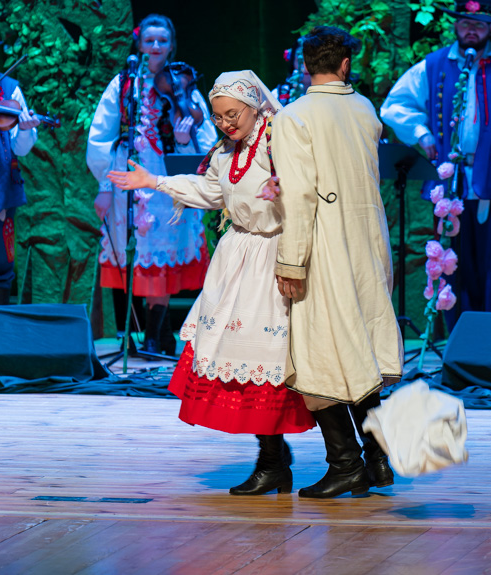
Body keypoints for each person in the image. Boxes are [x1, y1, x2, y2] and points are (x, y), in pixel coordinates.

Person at [106, 70, 316, 496]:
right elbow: (208, 190)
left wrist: (284, 199)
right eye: (219, 117)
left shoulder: (277, 147)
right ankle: (272, 460)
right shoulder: (225, 154)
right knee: (238, 358)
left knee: (270, 362)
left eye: (232, 114)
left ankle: (347, 457)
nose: (225, 123)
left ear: (256, 107)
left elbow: (305, 191)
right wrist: (154, 181)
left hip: (272, 257)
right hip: (237, 260)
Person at [273, 26, 404, 499]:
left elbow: (299, 196)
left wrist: (291, 262)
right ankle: (377, 458)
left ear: (306, 64)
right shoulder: (364, 107)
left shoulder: (294, 117)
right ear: (345, 63)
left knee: (318, 355)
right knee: (358, 350)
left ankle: (347, 462)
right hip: (365, 242)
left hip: (325, 244)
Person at [380, 0, 491, 329]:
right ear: (456, 25)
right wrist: (422, 134)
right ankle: (459, 342)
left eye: (479, 22)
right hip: (451, 184)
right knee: (453, 266)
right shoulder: (434, 65)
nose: (471, 28)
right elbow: (396, 106)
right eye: (465, 22)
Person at [87, 14, 216, 354]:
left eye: (162, 41)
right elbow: (101, 136)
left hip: (166, 178)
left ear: (171, 45)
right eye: (149, 41)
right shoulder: (124, 84)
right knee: (126, 249)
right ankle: (129, 337)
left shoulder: (184, 85)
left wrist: (185, 138)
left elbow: (205, 141)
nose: (156, 47)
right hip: (127, 176)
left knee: (163, 251)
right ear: (139, 44)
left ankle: (158, 337)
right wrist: (103, 185)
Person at [0, 67, 40, 305]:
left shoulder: (9, 88)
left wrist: (24, 130)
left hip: (0, 189)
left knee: (0, 264)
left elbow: (21, 148)